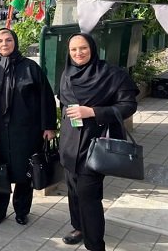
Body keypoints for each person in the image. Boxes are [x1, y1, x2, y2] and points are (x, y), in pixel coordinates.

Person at [59, 33, 138, 251]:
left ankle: (95, 244)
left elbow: (128, 105)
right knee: (73, 191)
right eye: (73, 49)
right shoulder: (67, 73)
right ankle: (78, 227)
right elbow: (63, 103)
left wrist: (93, 112)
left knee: (88, 196)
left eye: (83, 48)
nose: (78, 53)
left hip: (95, 145)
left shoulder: (111, 74)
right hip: (69, 145)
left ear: (92, 48)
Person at [0, 28, 56, 227]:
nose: (4, 44)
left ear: (15, 42)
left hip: (26, 131)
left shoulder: (30, 67)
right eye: (0, 40)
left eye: (8, 40)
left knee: (25, 173)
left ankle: (22, 211)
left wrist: (48, 126)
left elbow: (45, 98)